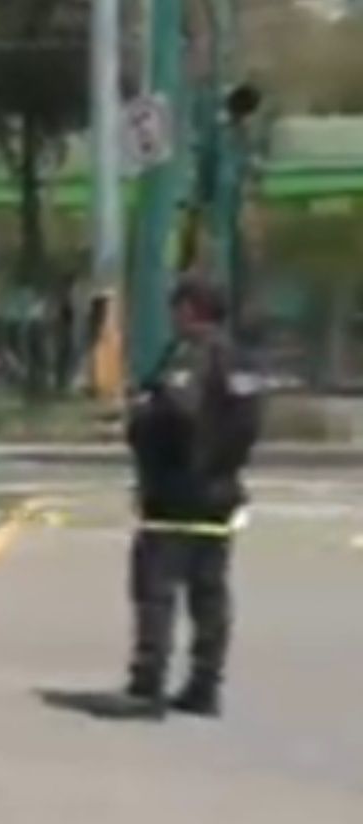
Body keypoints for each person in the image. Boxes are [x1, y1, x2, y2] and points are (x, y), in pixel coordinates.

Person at [121, 272, 261, 718]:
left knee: (156, 589)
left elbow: (178, 411)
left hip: (177, 490)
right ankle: (205, 683)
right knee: (209, 592)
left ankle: (150, 681)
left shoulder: (191, 355)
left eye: (176, 308)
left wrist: (143, 416)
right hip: (222, 490)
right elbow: (249, 422)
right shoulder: (242, 360)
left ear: (190, 309)